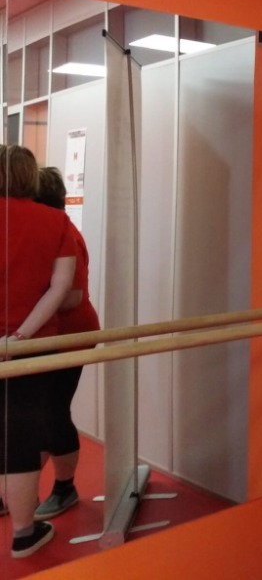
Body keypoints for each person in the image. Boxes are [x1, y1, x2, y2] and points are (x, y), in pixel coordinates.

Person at [0, 145, 77, 558]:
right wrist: (20, 337)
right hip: (32, 345)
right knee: (21, 435)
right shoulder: (55, 221)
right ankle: (23, 532)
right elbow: (61, 289)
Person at [33, 166, 102, 520]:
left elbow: (72, 296)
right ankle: (20, 487)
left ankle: (65, 488)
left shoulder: (66, 235)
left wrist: (29, 307)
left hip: (71, 335)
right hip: (52, 336)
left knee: (53, 411)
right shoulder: (50, 232)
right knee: (39, 413)